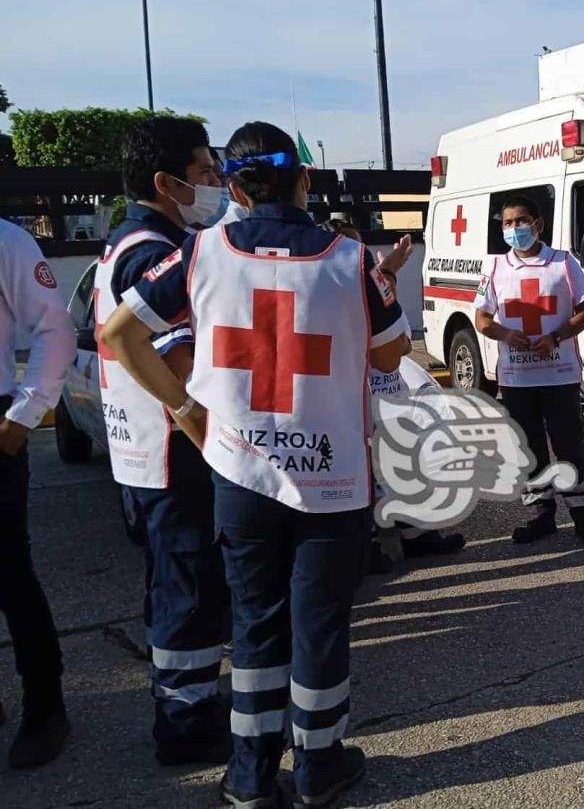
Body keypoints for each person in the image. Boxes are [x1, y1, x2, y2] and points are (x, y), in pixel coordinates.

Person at [102, 122, 411, 809]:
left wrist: (184, 409)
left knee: (255, 621)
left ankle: (248, 776)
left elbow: (119, 334)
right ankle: (319, 765)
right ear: (305, 180)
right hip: (332, 478)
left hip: (240, 474)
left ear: (236, 186)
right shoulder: (353, 259)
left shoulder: (197, 252)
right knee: (321, 622)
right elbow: (391, 357)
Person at [95, 116, 231, 766]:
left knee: (175, 582)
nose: (216, 183)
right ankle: (186, 723)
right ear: (165, 182)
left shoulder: (128, 240)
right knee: (188, 588)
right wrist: (206, 427)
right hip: (174, 448)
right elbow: (178, 365)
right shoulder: (155, 252)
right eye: (206, 172)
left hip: (147, 448)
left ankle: (188, 700)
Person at [321, 219, 465, 562]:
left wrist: (389, 274)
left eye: (360, 250)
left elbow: (394, 327)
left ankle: (417, 535)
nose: (358, 257)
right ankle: (367, 549)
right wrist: (388, 274)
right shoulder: (326, 294)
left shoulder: (369, 285)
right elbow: (395, 344)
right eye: (349, 248)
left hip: (389, 398)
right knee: (358, 478)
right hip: (355, 405)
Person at [473, 196, 584, 545]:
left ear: (538, 224)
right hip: (517, 379)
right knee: (529, 449)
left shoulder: (563, 263)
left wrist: (556, 336)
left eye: (521, 221)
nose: (514, 229)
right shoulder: (495, 267)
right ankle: (541, 516)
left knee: (570, 447)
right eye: (506, 223)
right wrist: (506, 334)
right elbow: (482, 320)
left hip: (559, 375)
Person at [0, 219, 74, 769]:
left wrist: (24, 416)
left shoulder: (7, 240)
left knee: (8, 572)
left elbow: (54, 327)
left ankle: (45, 705)